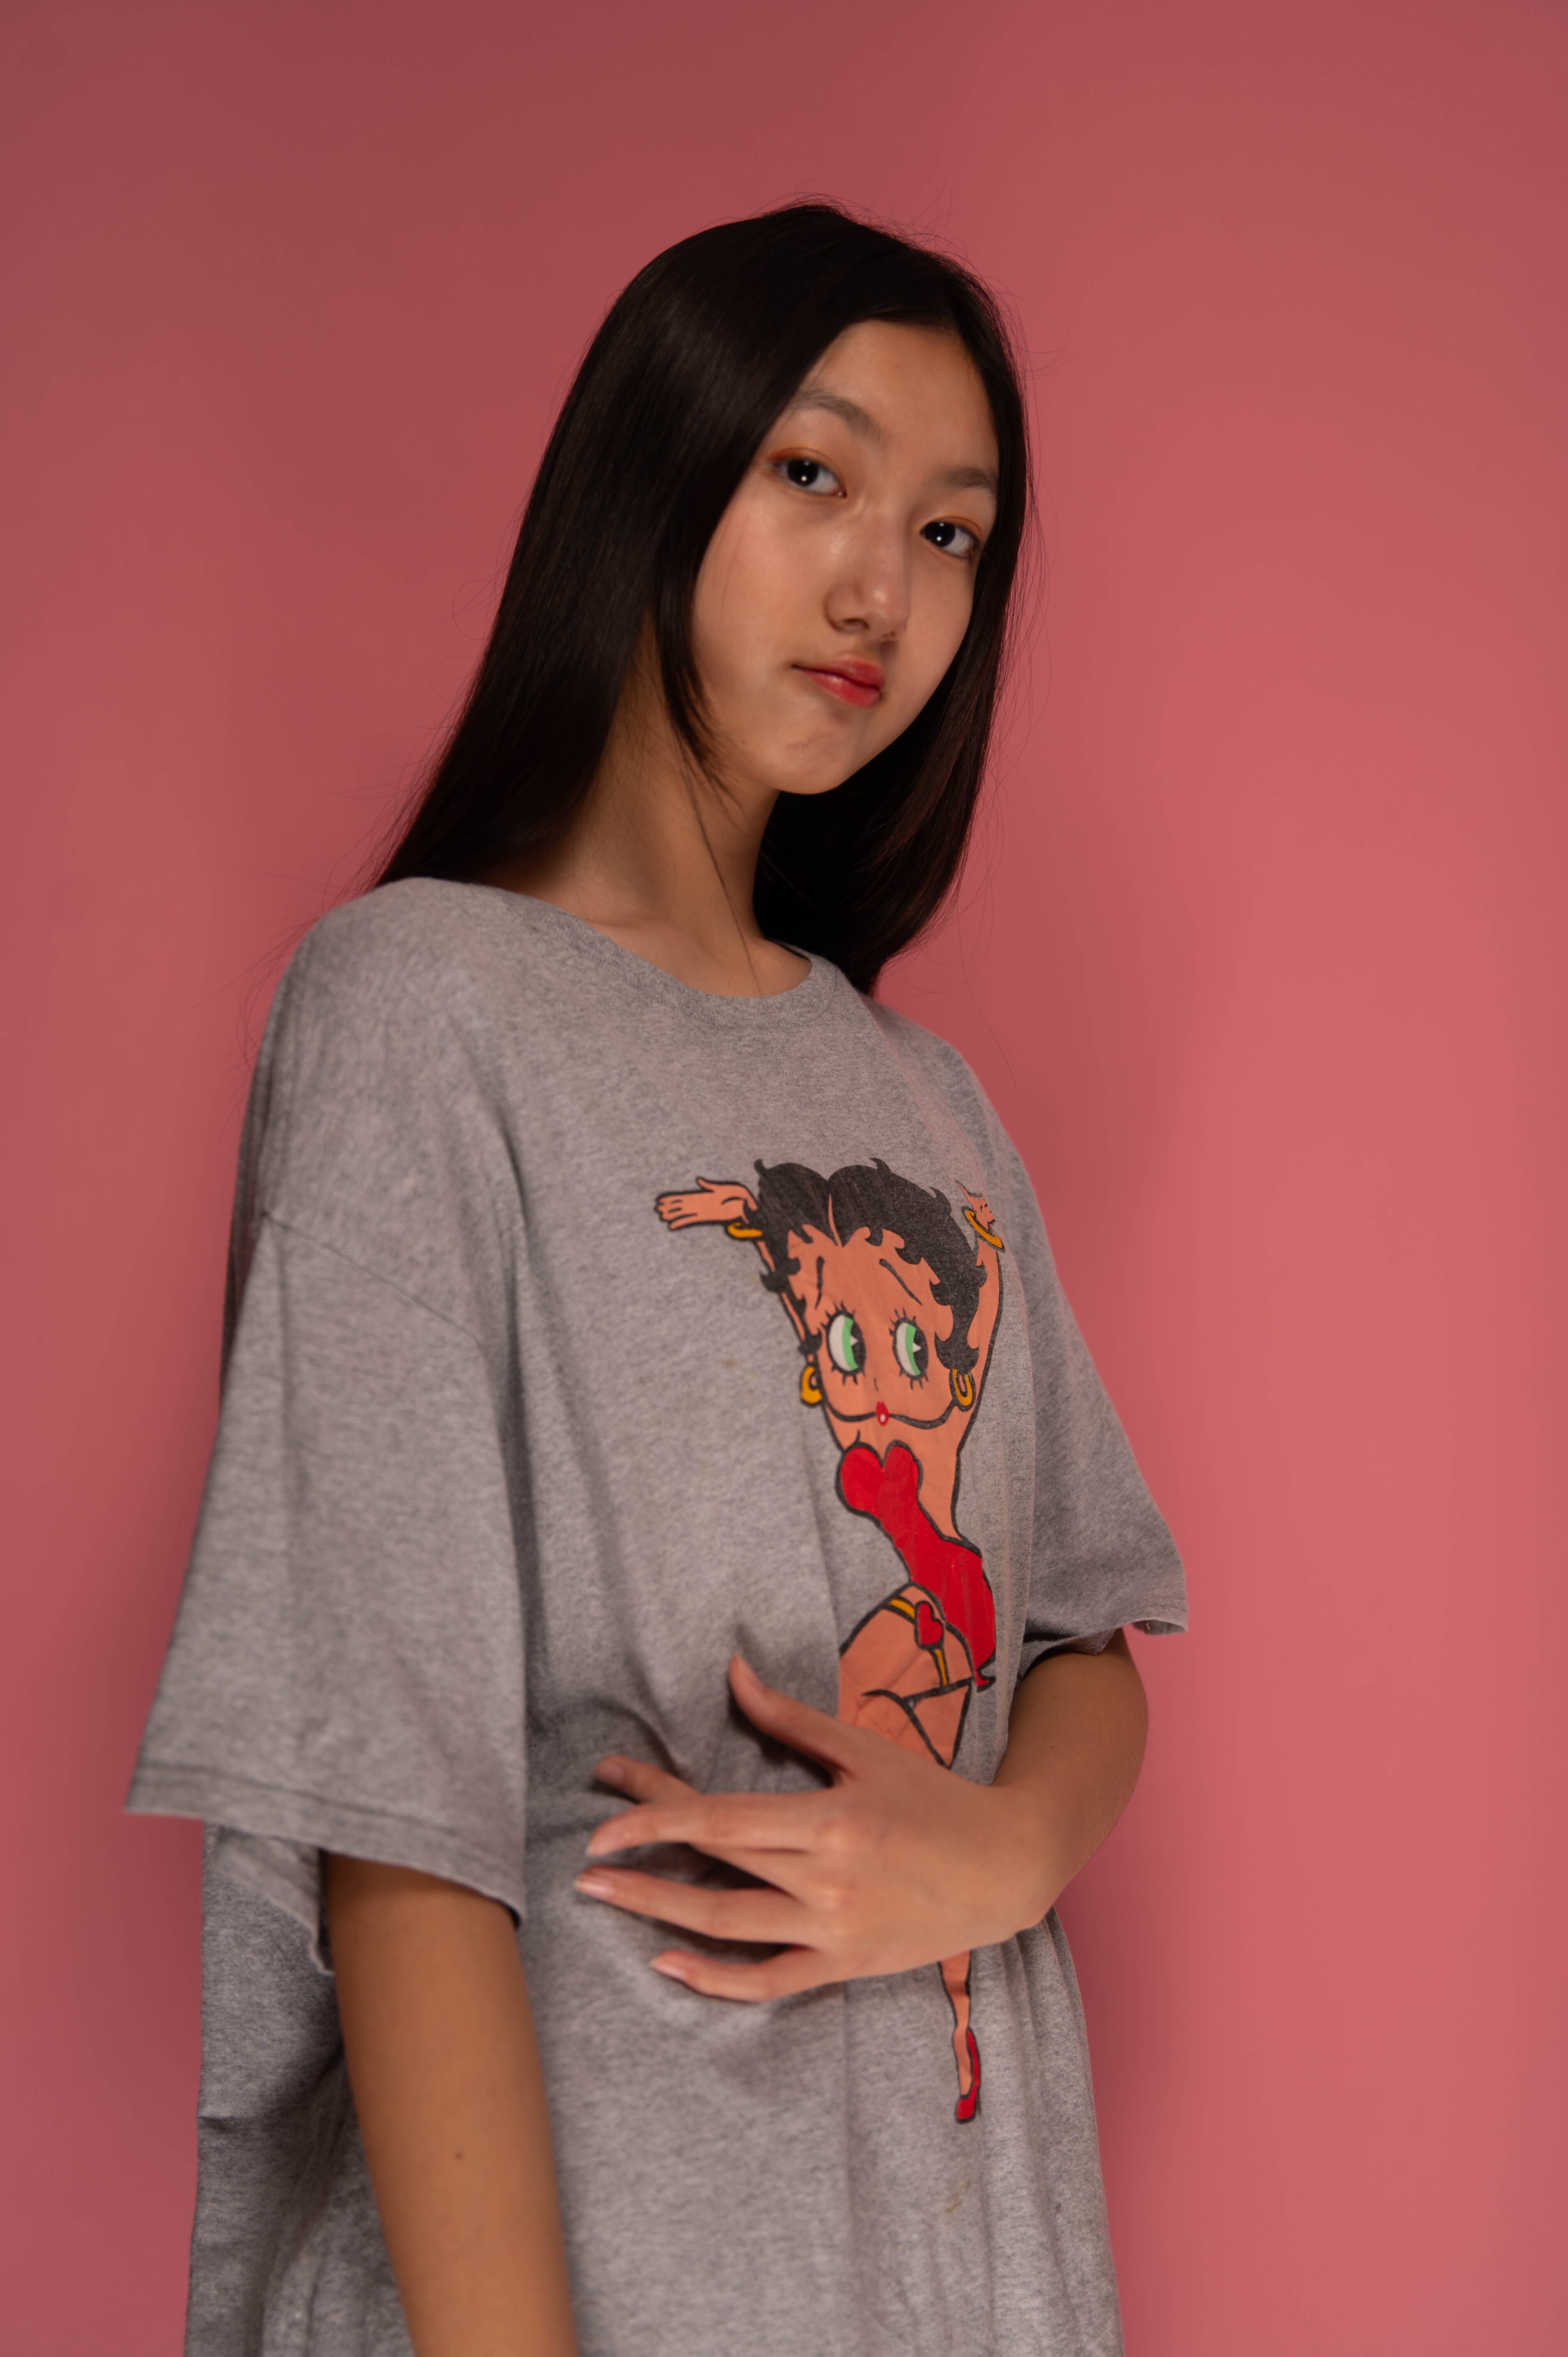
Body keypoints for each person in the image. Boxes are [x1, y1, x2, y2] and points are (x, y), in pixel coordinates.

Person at [130, 202, 1186, 2357]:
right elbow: (390, 1820)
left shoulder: (924, 1101)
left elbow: (1080, 1636)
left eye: (953, 533)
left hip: (959, 2257)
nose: (883, 589)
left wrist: (999, 1856)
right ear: (654, 476)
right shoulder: (419, 1010)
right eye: (813, 475)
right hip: (612, 2262)